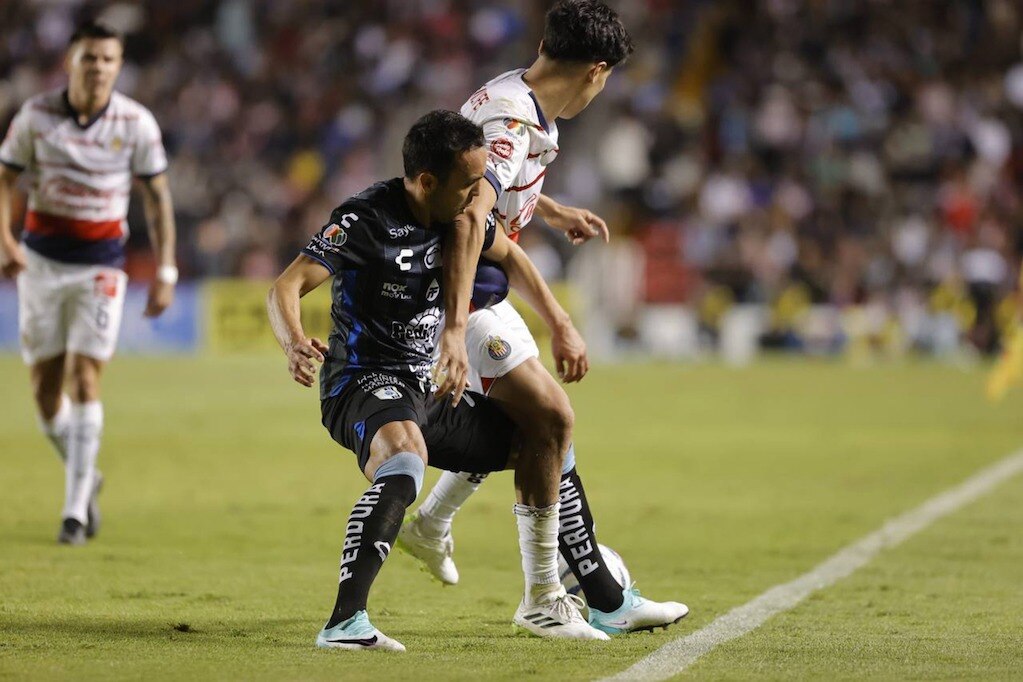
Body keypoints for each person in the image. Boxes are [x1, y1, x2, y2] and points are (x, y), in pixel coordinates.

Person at [266, 110, 611, 651]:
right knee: (404, 464)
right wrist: (291, 342)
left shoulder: (462, 217)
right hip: (360, 382)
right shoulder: (365, 220)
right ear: (426, 181)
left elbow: (512, 257)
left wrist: (561, 323)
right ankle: (345, 622)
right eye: (470, 183)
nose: (479, 195)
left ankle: (543, 597)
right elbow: (284, 288)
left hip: (421, 389)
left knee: (541, 437)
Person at [399, 0, 688, 634]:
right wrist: (458, 328)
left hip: (483, 293)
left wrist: (552, 212)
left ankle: (433, 525)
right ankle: (573, 598)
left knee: (526, 426)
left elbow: (493, 187)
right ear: (597, 70)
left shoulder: (516, 99)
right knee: (552, 420)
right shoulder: (511, 121)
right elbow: (474, 214)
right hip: (465, 296)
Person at [0, 22, 177, 545]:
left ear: (118, 66)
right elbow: (5, 179)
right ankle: (87, 473)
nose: (98, 67)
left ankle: (75, 510)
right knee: (45, 396)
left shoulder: (136, 123)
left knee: (85, 380)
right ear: (70, 62)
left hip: (101, 267)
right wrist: (6, 242)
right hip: (40, 266)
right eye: (89, 58)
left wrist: (165, 270)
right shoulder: (35, 117)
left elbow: (157, 199)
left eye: (107, 59)